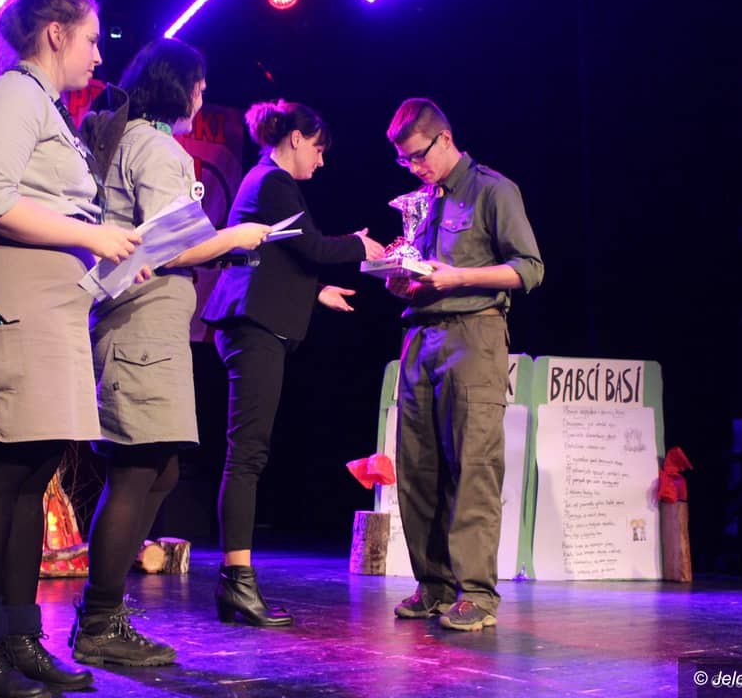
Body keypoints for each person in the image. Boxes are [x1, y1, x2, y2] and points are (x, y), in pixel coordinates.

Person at [0, 0, 143, 696]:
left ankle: (19, 638)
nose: (99, 53)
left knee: (34, 480)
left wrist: (114, 252)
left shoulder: (51, 112)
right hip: (14, 301)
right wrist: (93, 236)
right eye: (91, 37)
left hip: (55, 307)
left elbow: (55, 209)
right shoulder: (11, 96)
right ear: (55, 33)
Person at [69, 38, 271, 667]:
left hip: (150, 329)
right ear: (175, 86)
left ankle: (104, 613)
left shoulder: (139, 142)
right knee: (137, 470)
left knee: (161, 472)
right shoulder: (154, 147)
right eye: (199, 87)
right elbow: (167, 245)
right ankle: (99, 621)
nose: (203, 99)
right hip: (140, 330)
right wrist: (234, 237)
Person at [201, 100, 385, 626]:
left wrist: (316, 292)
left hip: (256, 324)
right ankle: (237, 582)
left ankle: (236, 583)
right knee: (246, 456)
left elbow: (279, 260)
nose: (321, 162)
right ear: (298, 139)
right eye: (319, 150)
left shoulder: (268, 182)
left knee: (249, 453)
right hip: (252, 328)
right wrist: (362, 246)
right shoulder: (274, 182)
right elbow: (314, 248)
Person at [383, 98, 543, 631]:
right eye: (405, 160)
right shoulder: (423, 200)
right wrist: (400, 277)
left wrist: (459, 278)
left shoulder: (493, 191)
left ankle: (476, 593)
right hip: (419, 335)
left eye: (419, 156)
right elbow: (421, 268)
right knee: (417, 465)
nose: (414, 167)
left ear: (445, 138)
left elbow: (529, 269)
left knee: (474, 464)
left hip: (473, 334)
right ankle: (433, 585)